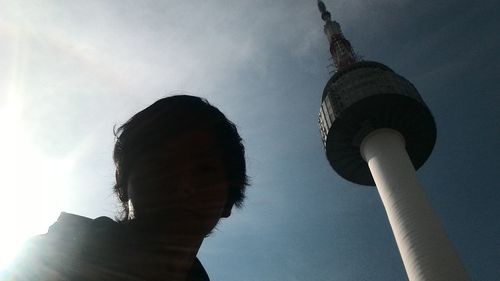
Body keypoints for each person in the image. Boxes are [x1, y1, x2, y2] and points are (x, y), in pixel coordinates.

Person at [2, 95, 248, 281]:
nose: (182, 186)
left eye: (204, 170)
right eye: (160, 164)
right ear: (122, 183)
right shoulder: (40, 265)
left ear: (227, 201)